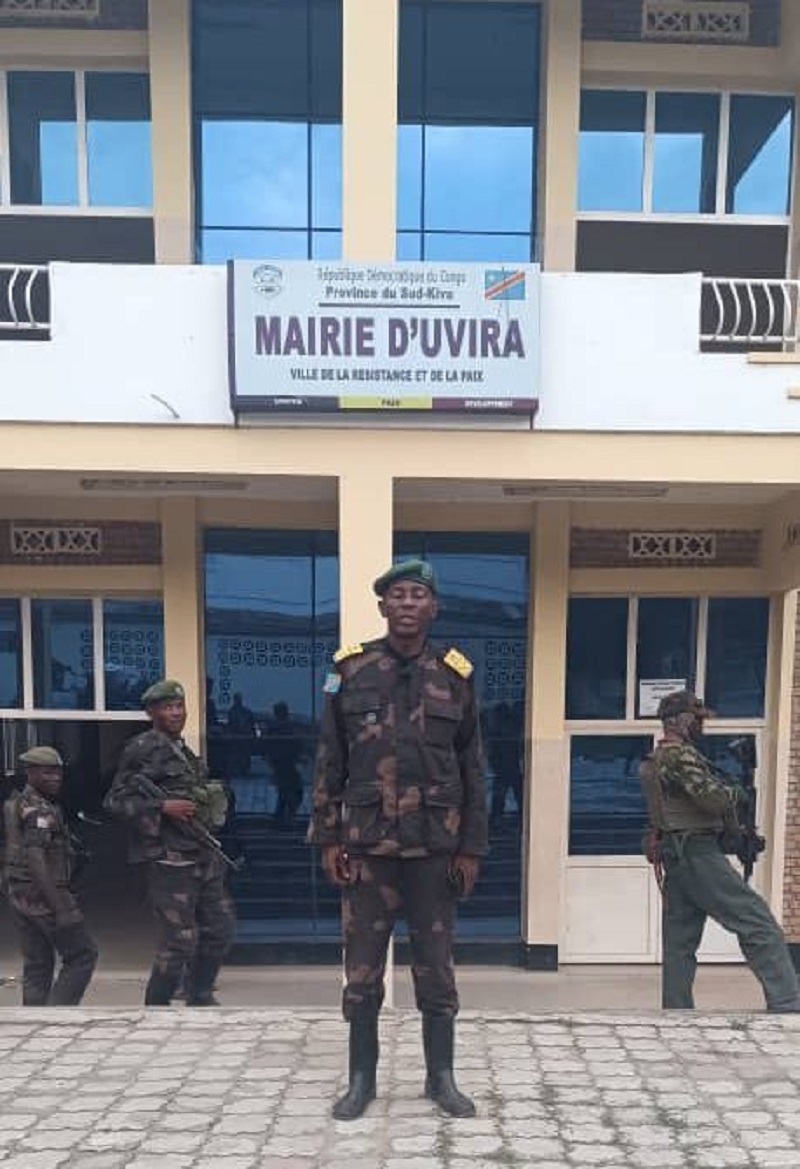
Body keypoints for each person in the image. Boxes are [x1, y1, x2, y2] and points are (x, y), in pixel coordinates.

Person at [308, 558, 488, 1120]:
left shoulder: (455, 675)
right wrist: (328, 839)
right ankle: (361, 1080)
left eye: (418, 595)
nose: (408, 604)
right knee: (362, 972)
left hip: (435, 849)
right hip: (368, 850)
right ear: (383, 606)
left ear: (434, 607)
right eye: (398, 595)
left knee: (436, 968)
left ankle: (441, 1077)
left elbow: (473, 768)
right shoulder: (350, 670)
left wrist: (472, 848)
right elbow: (329, 759)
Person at [641, 689, 800, 1012]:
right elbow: (712, 800)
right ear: (683, 721)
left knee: (680, 942)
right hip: (697, 854)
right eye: (697, 720)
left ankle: (677, 1012)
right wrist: (737, 793)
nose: (701, 726)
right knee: (759, 924)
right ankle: (787, 1002)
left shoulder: (658, 757)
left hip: (677, 855)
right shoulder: (680, 756)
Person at [105, 679, 236, 1006]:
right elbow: (115, 802)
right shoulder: (142, 748)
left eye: (179, 706)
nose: (176, 713)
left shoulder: (183, 750)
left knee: (219, 929)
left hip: (202, 853)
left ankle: (200, 995)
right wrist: (162, 807)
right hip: (170, 859)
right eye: (168, 707)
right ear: (152, 712)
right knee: (179, 940)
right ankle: (156, 1006)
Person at [2, 746, 97, 1006]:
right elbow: (36, 859)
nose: (55, 778)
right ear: (30, 772)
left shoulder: (15, 802)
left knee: (38, 962)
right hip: (44, 894)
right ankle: (58, 1014)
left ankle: (34, 1018)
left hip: (18, 892)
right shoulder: (39, 811)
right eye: (47, 773)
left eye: (58, 773)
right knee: (82, 955)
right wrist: (61, 908)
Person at [266, 701, 305, 825]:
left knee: (284, 791)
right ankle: (285, 817)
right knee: (292, 791)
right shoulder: (286, 727)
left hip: (280, 763)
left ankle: (280, 817)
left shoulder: (273, 728)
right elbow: (296, 744)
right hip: (286, 764)